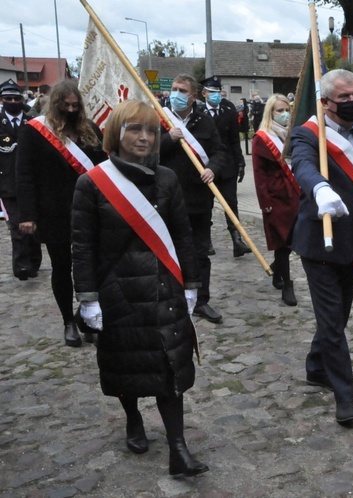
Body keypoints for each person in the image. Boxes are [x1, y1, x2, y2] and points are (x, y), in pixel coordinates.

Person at [71, 100, 208, 477]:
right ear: (116, 133)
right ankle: (132, 418)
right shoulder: (92, 184)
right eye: (135, 129)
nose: (145, 137)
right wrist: (88, 298)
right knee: (127, 365)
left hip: (164, 288)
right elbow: (82, 247)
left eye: (151, 130)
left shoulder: (167, 179)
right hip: (118, 293)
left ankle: (178, 449)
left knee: (169, 367)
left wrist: (193, 283)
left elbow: (183, 234)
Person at [290, 69, 353, 426]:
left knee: (338, 316)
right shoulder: (308, 135)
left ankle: (316, 366)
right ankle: (344, 394)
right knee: (332, 321)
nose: (351, 102)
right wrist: (319, 188)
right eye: (343, 97)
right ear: (325, 102)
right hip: (319, 243)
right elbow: (301, 165)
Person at [15, 79, 107, 347]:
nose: (69, 110)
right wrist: (27, 215)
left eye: (74, 105)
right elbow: (24, 175)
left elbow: (103, 168)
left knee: (95, 266)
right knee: (62, 267)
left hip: (90, 210)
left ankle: (88, 317)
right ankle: (68, 320)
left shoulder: (91, 130)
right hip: (53, 211)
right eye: (65, 105)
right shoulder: (35, 131)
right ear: (55, 105)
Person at [160, 73, 226, 324]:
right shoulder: (160, 117)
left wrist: (214, 169)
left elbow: (219, 152)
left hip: (199, 199)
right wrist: (168, 140)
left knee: (199, 251)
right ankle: (173, 297)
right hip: (168, 199)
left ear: (193, 96)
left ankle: (201, 300)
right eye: (174, 89)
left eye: (183, 91)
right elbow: (147, 154)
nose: (177, 94)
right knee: (171, 250)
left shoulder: (204, 121)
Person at [251, 93, 299, 306]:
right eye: (279, 111)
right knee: (283, 240)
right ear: (270, 112)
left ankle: (277, 268)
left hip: (295, 193)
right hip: (276, 196)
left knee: (292, 240)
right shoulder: (262, 137)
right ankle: (287, 284)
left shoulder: (291, 134)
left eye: (287, 110)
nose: (284, 114)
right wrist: (265, 202)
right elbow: (259, 173)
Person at [200, 76, 250, 258]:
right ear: (204, 93)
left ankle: (237, 240)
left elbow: (235, 140)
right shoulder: (198, 112)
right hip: (206, 167)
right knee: (206, 205)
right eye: (212, 92)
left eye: (218, 92)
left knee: (231, 203)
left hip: (227, 166)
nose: (216, 95)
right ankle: (206, 241)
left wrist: (241, 161)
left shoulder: (228, 110)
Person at [0, 79, 42, 281]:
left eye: (16, 98)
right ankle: (22, 265)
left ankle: (34, 262)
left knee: (33, 227)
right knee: (17, 228)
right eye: (8, 99)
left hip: (32, 184)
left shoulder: (32, 123)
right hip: (6, 185)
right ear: (2, 100)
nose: (13, 102)